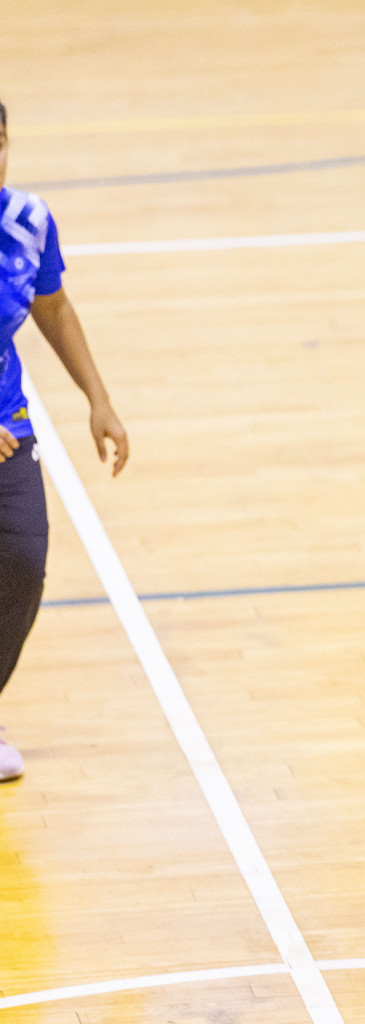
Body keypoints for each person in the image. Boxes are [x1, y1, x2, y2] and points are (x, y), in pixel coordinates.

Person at [0, 99, 130, 781]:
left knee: (21, 562)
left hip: (8, 427)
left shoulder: (27, 223)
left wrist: (97, 400)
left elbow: (51, 305)